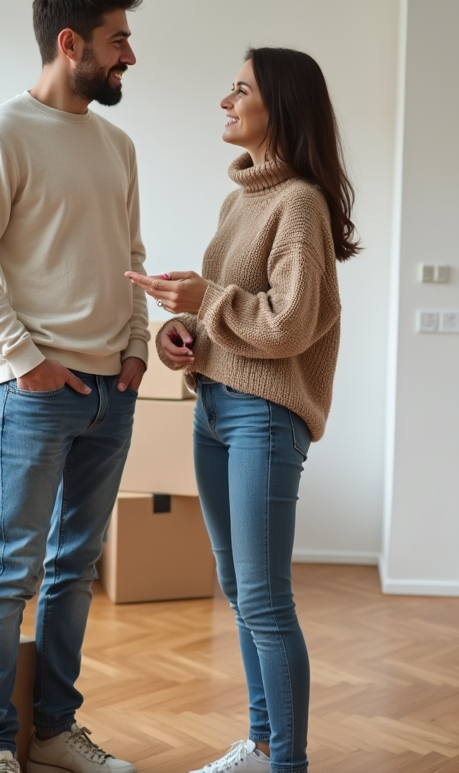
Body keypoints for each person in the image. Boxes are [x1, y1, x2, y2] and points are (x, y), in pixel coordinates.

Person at [126, 47, 359, 773]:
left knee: (263, 599)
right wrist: (183, 336)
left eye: (240, 90)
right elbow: (236, 323)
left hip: (263, 417)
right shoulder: (240, 202)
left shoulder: (301, 203)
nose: (225, 103)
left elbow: (291, 323)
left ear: (279, 107)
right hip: (216, 412)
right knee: (240, 591)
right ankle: (261, 746)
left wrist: (206, 301)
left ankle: (286, 763)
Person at [0, 0, 147, 772]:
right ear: (72, 45)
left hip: (111, 391)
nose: (130, 54)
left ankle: (54, 732)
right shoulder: (0, 133)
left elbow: (130, 258)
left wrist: (135, 349)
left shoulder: (118, 145)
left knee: (75, 568)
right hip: (34, 393)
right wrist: (26, 363)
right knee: (11, 571)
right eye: (118, 40)